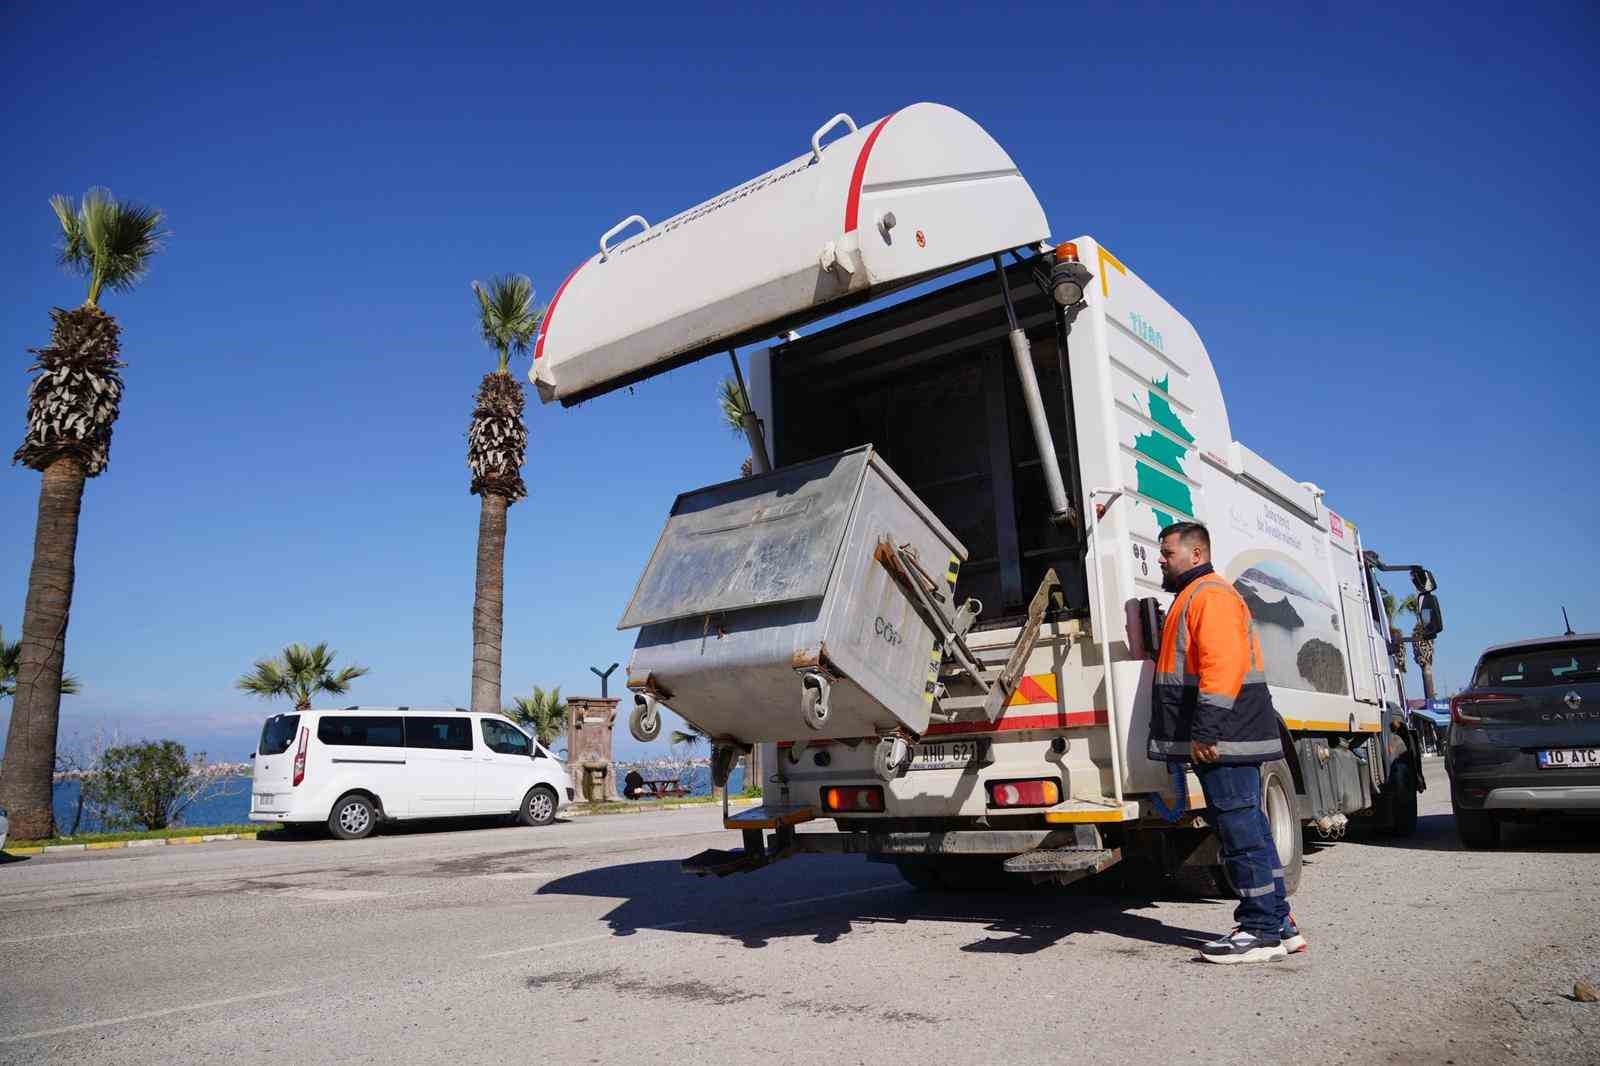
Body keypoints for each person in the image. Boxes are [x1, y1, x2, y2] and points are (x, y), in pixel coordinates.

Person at [1150, 521, 1306, 964]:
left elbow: (1223, 666)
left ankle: (1260, 931)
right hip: (1229, 737)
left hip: (1224, 738)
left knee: (1241, 833)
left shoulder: (1209, 596)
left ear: (1196, 554)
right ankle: (1279, 923)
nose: (1161, 560)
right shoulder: (1197, 596)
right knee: (1250, 828)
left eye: (1168, 553)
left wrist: (1207, 729)